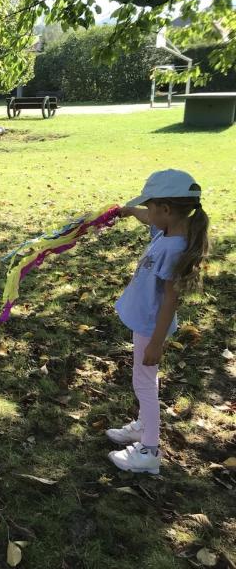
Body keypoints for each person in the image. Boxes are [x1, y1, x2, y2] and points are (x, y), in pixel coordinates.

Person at [107, 169, 209, 475]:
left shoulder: (174, 249)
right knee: (144, 379)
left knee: (144, 382)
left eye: (149, 206)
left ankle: (149, 451)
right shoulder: (168, 231)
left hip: (151, 325)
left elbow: (170, 300)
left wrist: (156, 342)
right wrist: (129, 211)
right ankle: (143, 425)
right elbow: (147, 219)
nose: (146, 212)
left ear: (165, 209)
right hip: (146, 321)